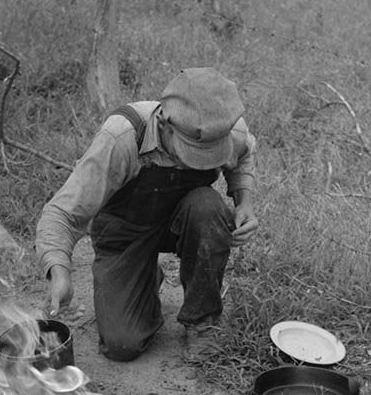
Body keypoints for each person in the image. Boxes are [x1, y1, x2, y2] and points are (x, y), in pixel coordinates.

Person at [35, 67, 258, 361]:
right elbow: (62, 212)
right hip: (125, 230)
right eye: (193, 153)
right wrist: (60, 273)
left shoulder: (227, 128)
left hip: (183, 220)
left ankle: (202, 321)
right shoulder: (123, 137)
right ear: (165, 124)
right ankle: (144, 276)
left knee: (208, 206)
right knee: (121, 345)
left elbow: (242, 157)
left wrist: (244, 202)